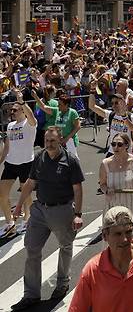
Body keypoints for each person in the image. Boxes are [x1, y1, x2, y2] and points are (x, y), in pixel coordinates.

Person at [11, 127, 84, 310]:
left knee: (65, 247)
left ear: (60, 140)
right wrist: (19, 205)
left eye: (52, 140)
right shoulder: (39, 157)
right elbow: (30, 182)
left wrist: (78, 215)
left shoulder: (71, 160)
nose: (49, 144)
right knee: (32, 249)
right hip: (40, 210)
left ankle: (62, 284)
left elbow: (78, 189)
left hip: (62, 210)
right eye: (46, 140)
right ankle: (31, 295)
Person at [0, 89, 37, 237]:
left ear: (22, 110)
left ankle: (28, 220)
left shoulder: (29, 124)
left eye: (15, 110)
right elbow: (7, 146)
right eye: (11, 110)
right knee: (2, 194)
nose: (12, 112)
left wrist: (21, 100)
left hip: (26, 163)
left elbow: (32, 117)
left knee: (26, 195)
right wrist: (1, 160)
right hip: (11, 163)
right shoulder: (10, 126)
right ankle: (9, 223)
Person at [88, 85, 133, 156]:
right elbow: (92, 106)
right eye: (112, 103)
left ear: (123, 103)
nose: (114, 105)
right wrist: (92, 91)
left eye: (116, 103)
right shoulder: (110, 115)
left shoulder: (132, 117)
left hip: (126, 152)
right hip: (112, 151)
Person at [31, 92, 81, 158]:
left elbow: (77, 127)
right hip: (59, 141)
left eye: (60, 104)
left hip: (69, 141)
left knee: (71, 161)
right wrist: (35, 97)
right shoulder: (57, 111)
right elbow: (44, 107)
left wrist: (66, 138)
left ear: (66, 105)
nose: (58, 106)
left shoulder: (73, 112)